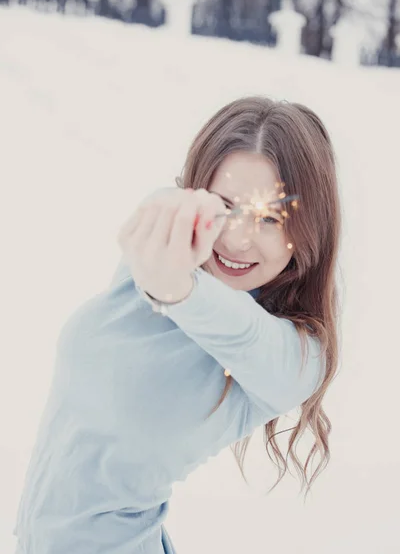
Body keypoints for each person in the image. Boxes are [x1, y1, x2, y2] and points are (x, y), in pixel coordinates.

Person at [13, 96, 341, 554]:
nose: (237, 238)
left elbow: (239, 329)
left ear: (308, 229)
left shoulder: (296, 356)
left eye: (269, 217)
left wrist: (175, 289)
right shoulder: (156, 254)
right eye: (226, 205)